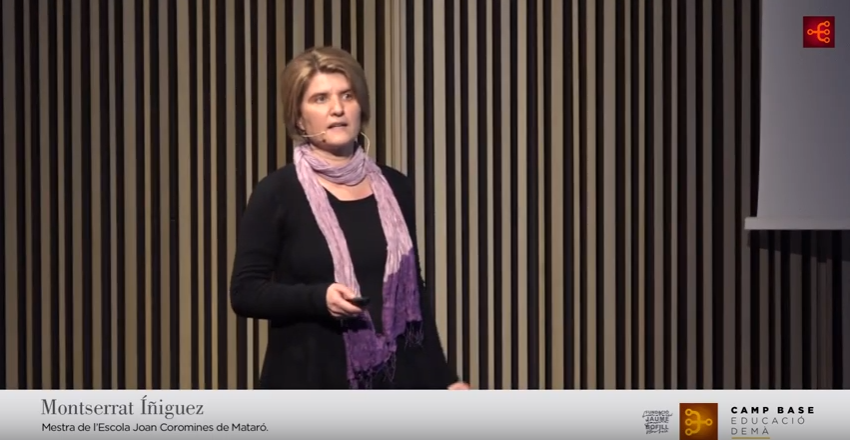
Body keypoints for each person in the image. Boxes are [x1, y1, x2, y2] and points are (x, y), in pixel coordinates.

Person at [229, 46, 470, 390]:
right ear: (299, 118)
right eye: (320, 99)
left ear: (361, 107)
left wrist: (445, 379)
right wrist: (319, 298)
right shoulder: (277, 192)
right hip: (309, 381)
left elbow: (413, 292)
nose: (337, 109)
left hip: (396, 382)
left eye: (347, 95)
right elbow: (245, 292)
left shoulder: (396, 186)